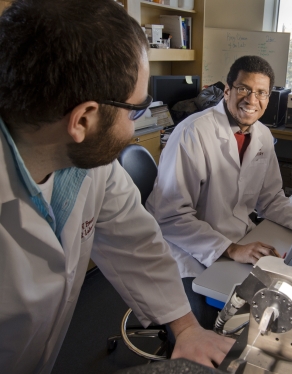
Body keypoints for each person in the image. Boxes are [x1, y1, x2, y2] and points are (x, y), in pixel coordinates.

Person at [0, 1, 233, 372]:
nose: (133, 129)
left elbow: (136, 241)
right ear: (83, 119)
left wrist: (187, 328)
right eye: (135, 111)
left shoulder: (91, 166)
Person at [146, 55, 292, 329]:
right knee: (206, 322)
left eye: (261, 92)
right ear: (227, 90)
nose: (252, 100)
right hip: (186, 251)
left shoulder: (262, 135)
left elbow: (271, 198)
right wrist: (230, 249)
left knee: (277, 300)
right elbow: (169, 217)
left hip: (239, 241)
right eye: (244, 89)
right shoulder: (193, 133)